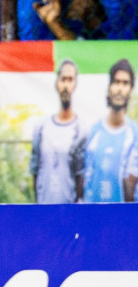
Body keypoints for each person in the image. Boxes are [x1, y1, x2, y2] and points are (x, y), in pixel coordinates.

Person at [76, 59, 138, 203]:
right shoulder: (91, 133)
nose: (120, 88)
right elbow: (81, 183)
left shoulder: (135, 136)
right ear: (109, 87)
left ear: (130, 90)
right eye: (116, 82)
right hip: (92, 219)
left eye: (125, 83)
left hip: (124, 221)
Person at [30, 59, 86, 204]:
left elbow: (81, 176)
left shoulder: (80, 130)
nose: (66, 85)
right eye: (63, 79)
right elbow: (35, 170)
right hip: (44, 209)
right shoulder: (41, 127)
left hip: (69, 211)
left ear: (75, 84)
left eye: (70, 80)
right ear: (57, 83)